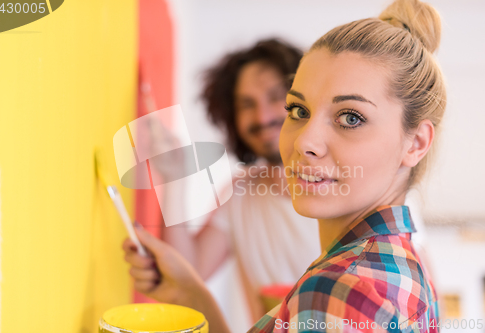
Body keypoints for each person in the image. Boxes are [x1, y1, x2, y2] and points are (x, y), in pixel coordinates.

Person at [123, 0, 445, 331]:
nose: (305, 141)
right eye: (299, 110)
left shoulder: (337, 290)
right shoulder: (395, 265)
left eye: (351, 117)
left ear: (416, 143)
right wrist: (192, 293)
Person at [157, 39, 321, 321]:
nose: (262, 116)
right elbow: (186, 273)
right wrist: (173, 179)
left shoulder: (352, 189)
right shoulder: (240, 193)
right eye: (247, 104)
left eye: (274, 98)